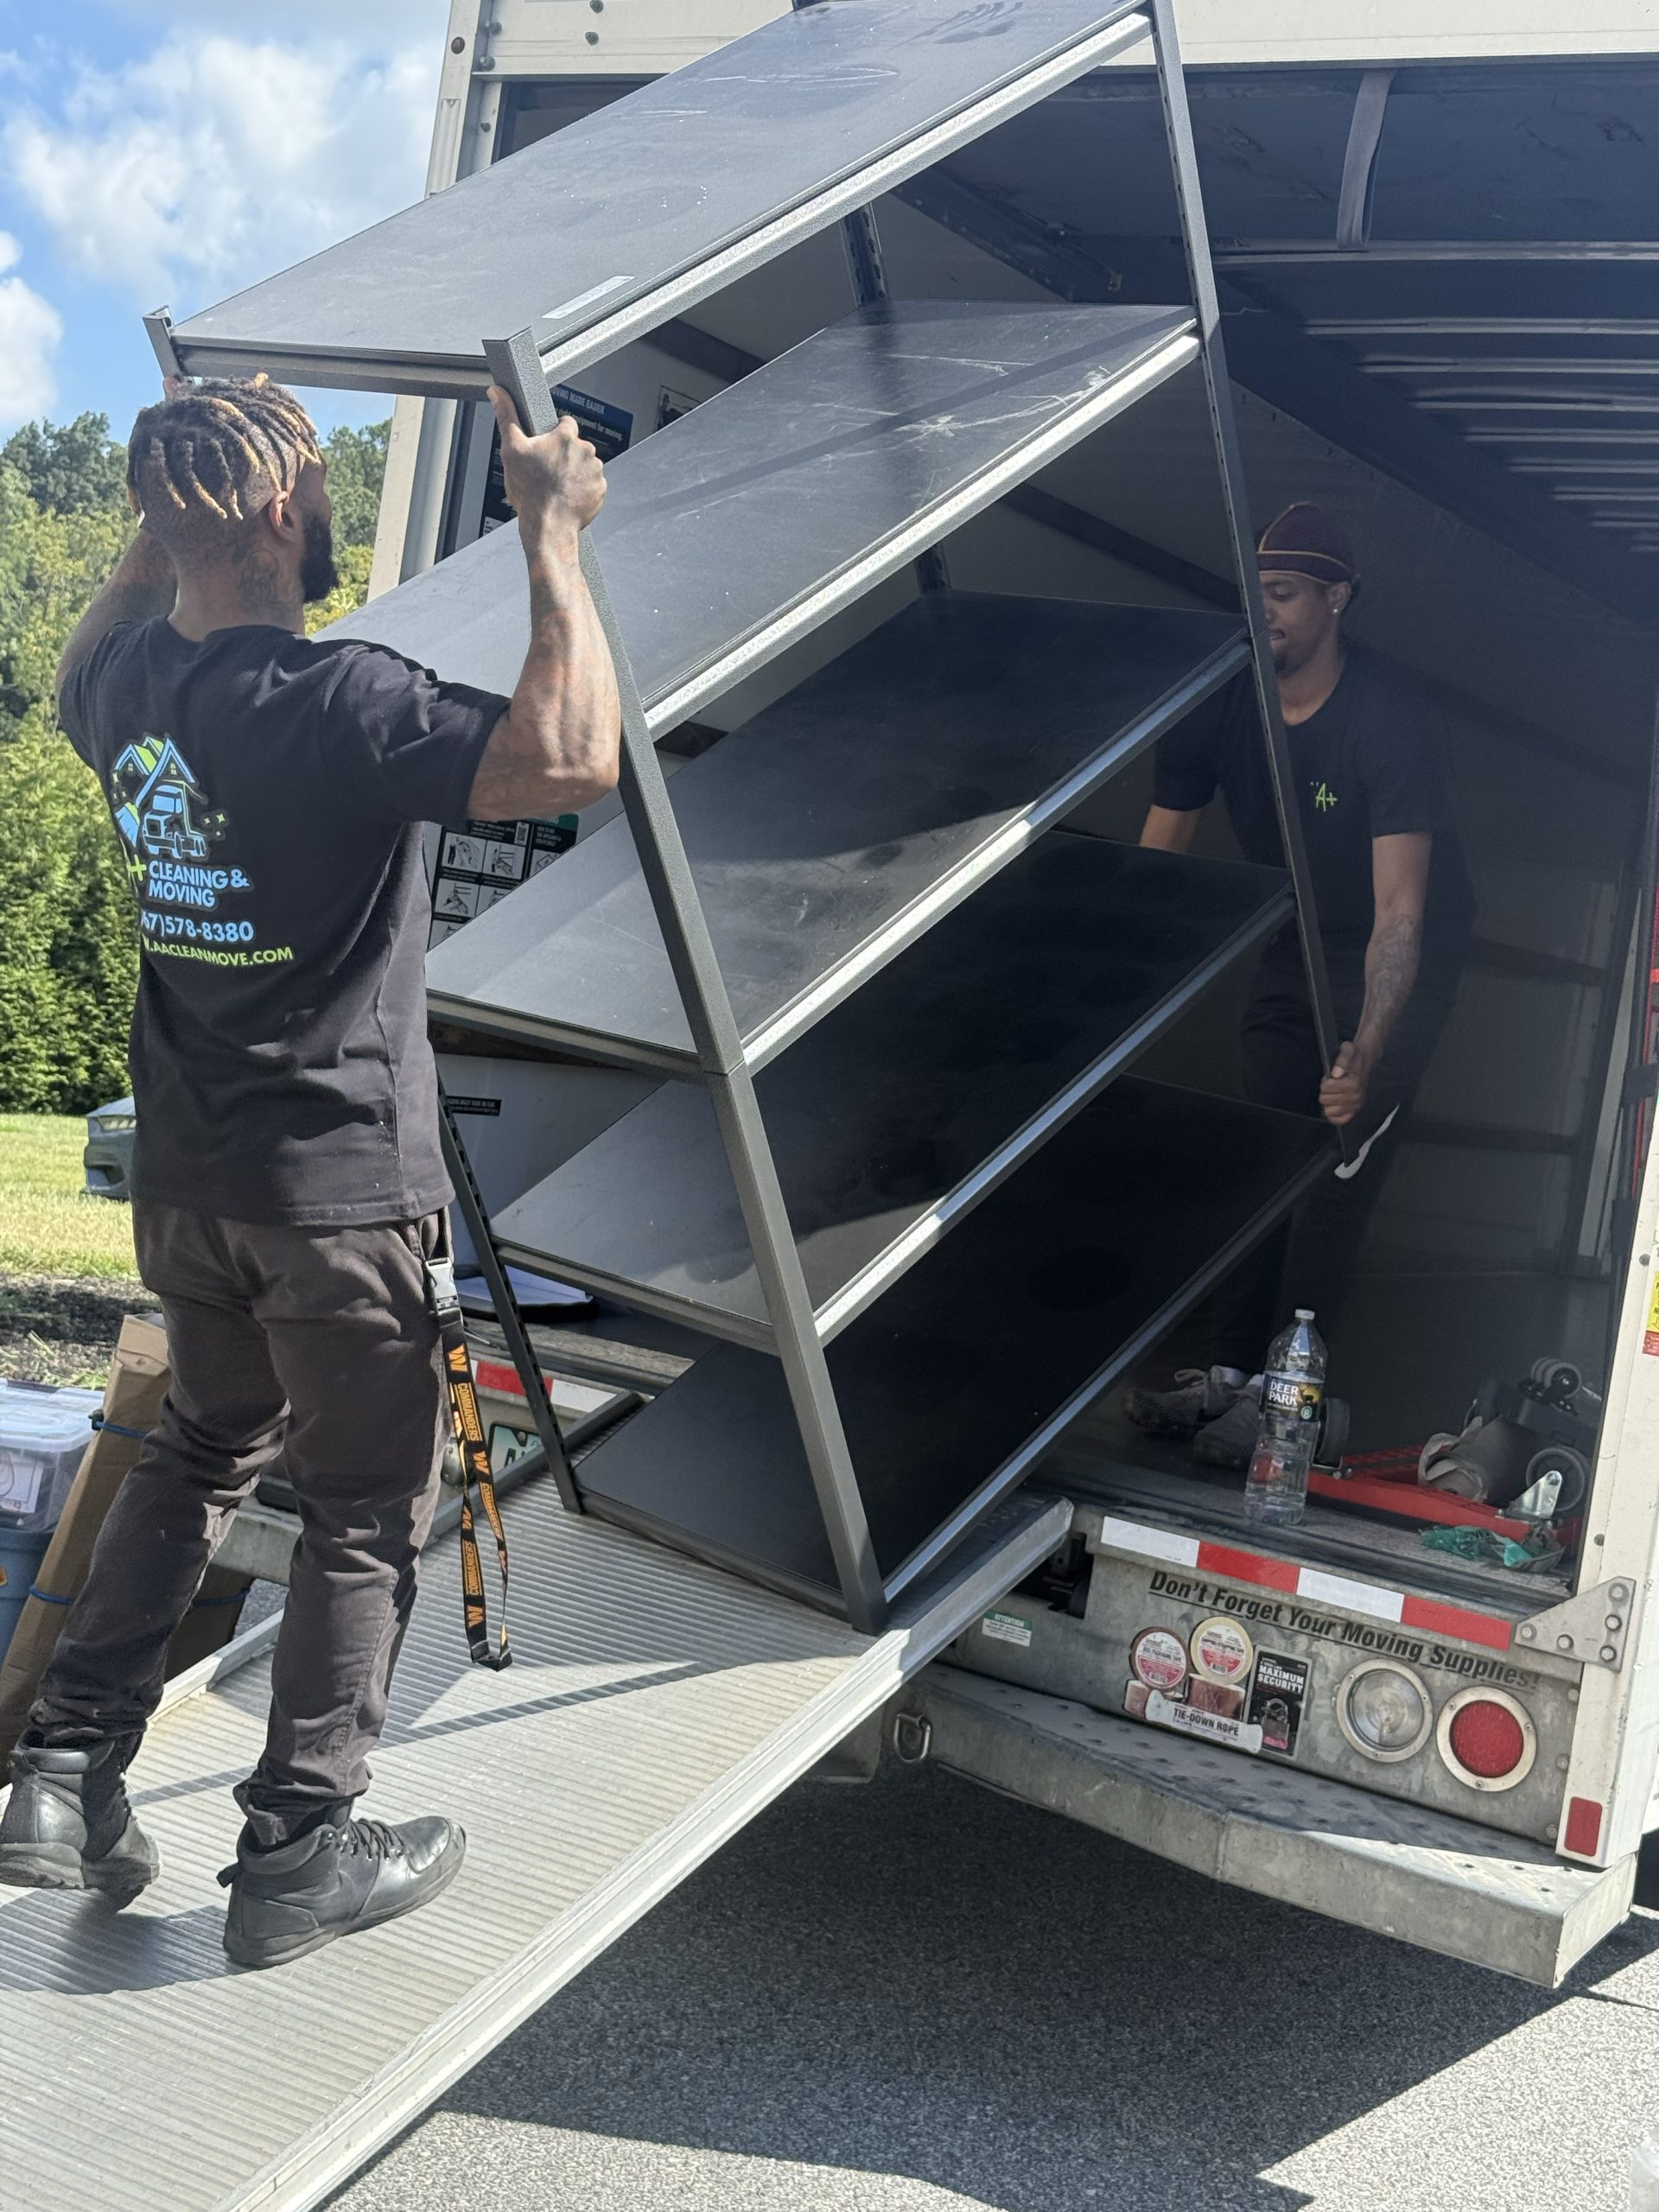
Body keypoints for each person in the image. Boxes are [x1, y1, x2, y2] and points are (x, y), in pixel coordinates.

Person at [0, 373, 620, 1968]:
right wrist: (552, 533)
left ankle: (60, 1776)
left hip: (188, 1185)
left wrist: (158, 513)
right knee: (362, 1504)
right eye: (318, 483)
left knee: (203, 1440)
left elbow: (85, 650)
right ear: (283, 514)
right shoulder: (342, 700)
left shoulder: (125, 686)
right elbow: (570, 759)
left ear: (161, 529)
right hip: (335, 1193)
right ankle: (298, 1847)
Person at [1127, 503, 1476, 1460]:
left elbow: (1401, 912)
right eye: (1255, 593)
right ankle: (1228, 1376)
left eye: (1282, 593)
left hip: (1402, 950)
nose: (1264, 611)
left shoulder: (1384, 717)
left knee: (1334, 1158)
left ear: (1337, 598)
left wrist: (1367, 1050)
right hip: (1301, 935)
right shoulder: (1221, 696)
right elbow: (1159, 865)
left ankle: (1292, 1404)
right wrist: (1110, 981)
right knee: (1263, 1145)